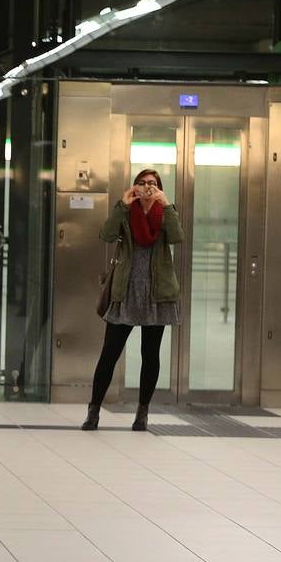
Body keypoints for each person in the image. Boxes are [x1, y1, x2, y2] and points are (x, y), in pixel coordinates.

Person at [82, 169, 182, 433]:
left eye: (152, 184)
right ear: (134, 187)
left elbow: (177, 237)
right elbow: (105, 234)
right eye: (142, 183)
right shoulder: (127, 212)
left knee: (150, 355)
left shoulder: (166, 211)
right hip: (125, 291)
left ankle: (142, 413)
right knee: (109, 354)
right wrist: (121, 204)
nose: (147, 188)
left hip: (157, 294)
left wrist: (167, 204)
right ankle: (93, 411)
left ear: (159, 187)